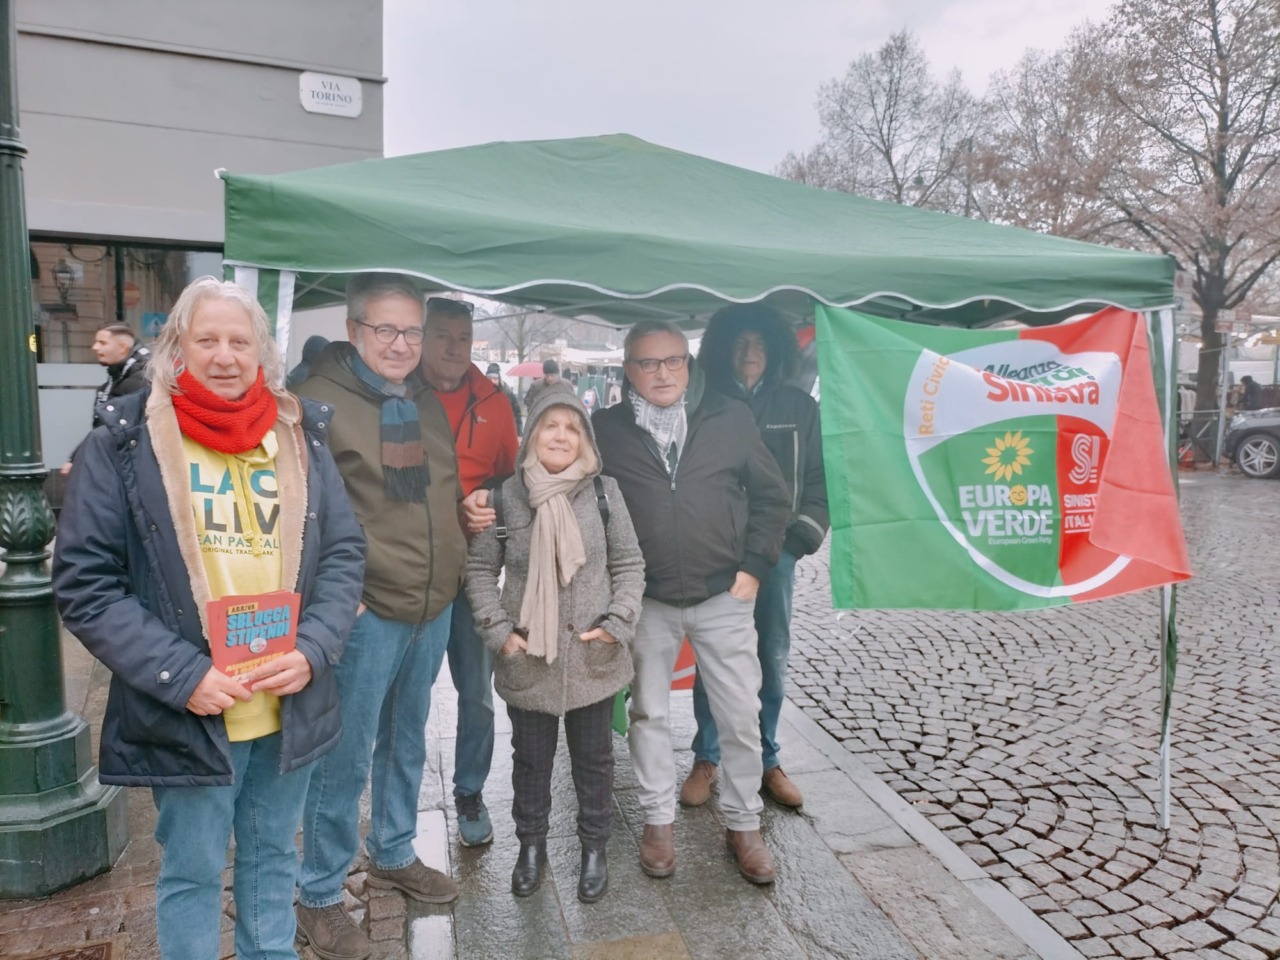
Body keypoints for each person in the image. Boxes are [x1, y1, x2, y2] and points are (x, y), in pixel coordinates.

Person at [51, 277, 366, 960]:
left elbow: (343, 554)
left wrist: (313, 648)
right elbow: (86, 585)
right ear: (178, 350)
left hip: (287, 700)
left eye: (239, 341)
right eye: (208, 340)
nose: (225, 356)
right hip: (189, 710)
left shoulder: (298, 438)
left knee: (272, 858)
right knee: (192, 872)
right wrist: (183, 673)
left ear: (261, 353)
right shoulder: (126, 443)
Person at [294, 274, 468, 960]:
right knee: (342, 757)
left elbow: (434, 492)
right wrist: (337, 596)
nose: (401, 345)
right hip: (364, 613)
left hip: (430, 602)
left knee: (407, 738)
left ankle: (394, 849)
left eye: (412, 332)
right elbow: (297, 508)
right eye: (386, 330)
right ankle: (319, 896)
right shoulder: (318, 401)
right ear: (354, 329)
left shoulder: (423, 397)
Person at [591, 319, 790, 885]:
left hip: (723, 593)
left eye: (672, 360)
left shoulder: (729, 417)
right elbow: (570, 492)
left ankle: (743, 822)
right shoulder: (606, 428)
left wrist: (753, 570)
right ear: (628, 370)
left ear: (689, 364)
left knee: (740, 716)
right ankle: (657, 820)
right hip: (645, 598)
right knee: (648, 712)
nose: (661, 373)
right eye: (648, 363)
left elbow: (773, 498)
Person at [466, 385, 644, 902]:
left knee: (594, 759)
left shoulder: (605, 493)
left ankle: (594, 847)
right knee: (531, 760)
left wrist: (617, 624)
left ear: (584, 438)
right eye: (550, 425)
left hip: (593, 656)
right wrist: (502, 638)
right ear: (532, 435)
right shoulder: (504, 496)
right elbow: (480, 570)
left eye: (571, 427)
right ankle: (532, 846)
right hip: (530, 659)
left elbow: (630, 563)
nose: (560, 436)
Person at [683, 303, 829, 811]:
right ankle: (707, 754)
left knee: (770, 655)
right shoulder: (706, 403)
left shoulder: (800, 407)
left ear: (777, 350)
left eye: (760, 344)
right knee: (712, 657)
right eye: (741, 343)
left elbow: (818, 486)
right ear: (725, 348)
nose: (750, 353)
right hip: (716, 553)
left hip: (776, 556)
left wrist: (793, 546)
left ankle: (767, 757)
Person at [418, 296, 519, 848]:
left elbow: (512, 479)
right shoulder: (400, 394)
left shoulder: (495, 403)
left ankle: (469, 789)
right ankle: (394, 806)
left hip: (473, 570)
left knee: (477, 692)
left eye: (463, 337)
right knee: (403, 698)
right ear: (424, 337)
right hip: (413, 569)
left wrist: (489, 497)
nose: (454, 348)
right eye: (442, 336)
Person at [61, 322, 151, 474]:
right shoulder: (117, 377)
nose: (95, 347)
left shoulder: (140, 380)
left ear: (122, 347)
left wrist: (77, 457)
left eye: (102, 343)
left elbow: (111, 427)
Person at [486, 361, 524, 434]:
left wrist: (518, 432)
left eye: (495, 379)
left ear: (499, 379)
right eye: (489, 379)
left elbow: (516, 413)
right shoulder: (479, 392)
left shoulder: (506, 392)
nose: (492, 381)